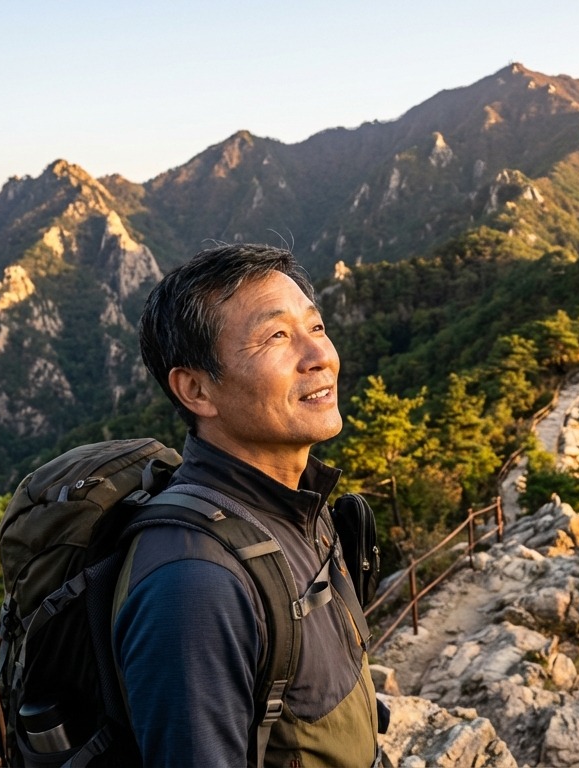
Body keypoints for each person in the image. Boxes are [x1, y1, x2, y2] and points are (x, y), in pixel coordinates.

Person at [120, 242, 379, 767]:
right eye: (277, 336)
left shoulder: (300, 505)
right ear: (196, 390)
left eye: (317, 327)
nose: (320, 357)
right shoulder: (195, 585)